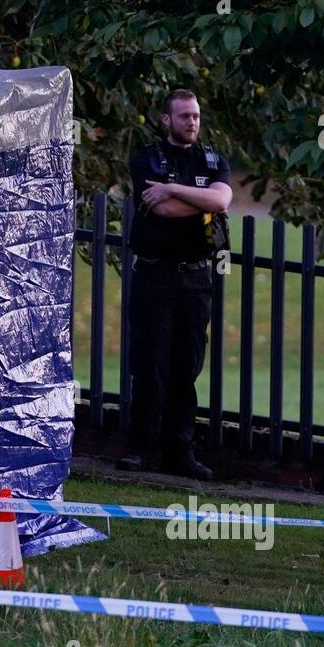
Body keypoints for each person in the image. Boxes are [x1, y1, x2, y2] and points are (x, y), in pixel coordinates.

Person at [119, 89, 232, 481]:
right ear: (167, 120)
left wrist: (172, 188)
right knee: (150, 362)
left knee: (187, 364)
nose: (192, 122)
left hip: (197, 275)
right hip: (155, 273)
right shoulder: (147, 157)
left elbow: (220, 202)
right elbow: (162, 209)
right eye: (184, 116)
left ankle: (179, 451)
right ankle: (139, 448)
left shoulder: (213, 158)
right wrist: (193, 199)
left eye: (196, 115)